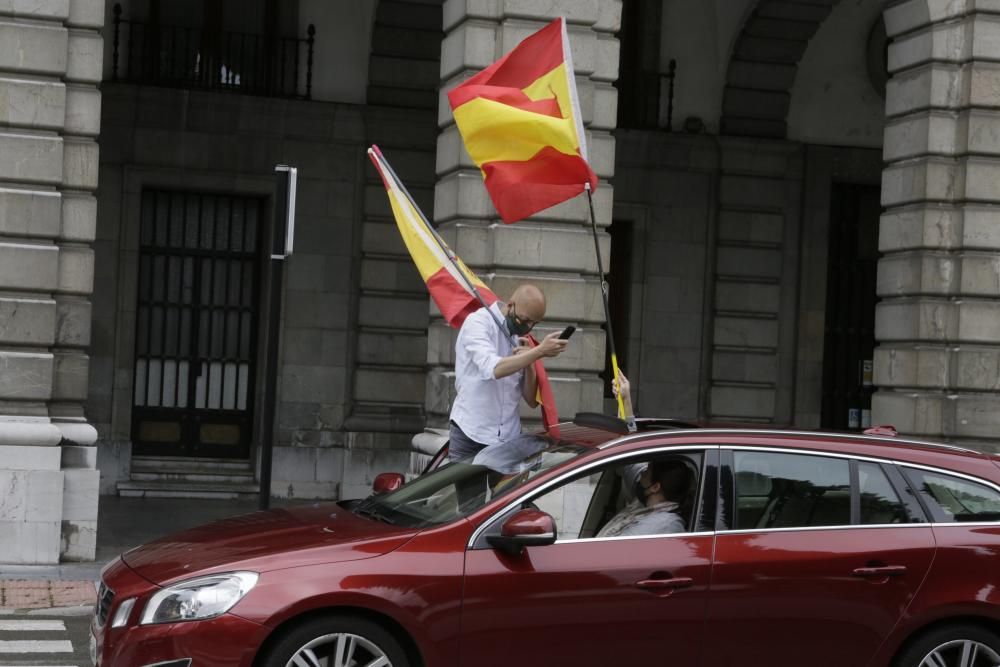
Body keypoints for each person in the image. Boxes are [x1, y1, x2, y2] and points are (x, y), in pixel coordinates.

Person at [448, 284, 568, 462]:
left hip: (508, 438)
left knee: (512, 491)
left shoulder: (521, 339)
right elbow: (493, 369)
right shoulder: (479, 323)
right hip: (471, 433)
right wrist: (539, 351)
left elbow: (531, 400)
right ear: (511, 305)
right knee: (471, 491)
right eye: (525, 320)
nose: (528, 327)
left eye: (534, 323)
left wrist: (530, 362)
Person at [596, 459, 690, 538]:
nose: (640, 478)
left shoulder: (662, 524)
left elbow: (613, 551)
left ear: (655, 487)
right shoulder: (644, 508)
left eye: (645, 474)